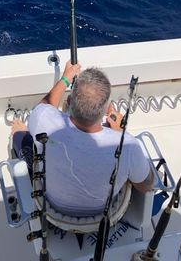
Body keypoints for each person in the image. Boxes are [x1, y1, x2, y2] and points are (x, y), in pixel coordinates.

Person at [12, 61, 154, 217]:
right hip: (100, 215)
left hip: (53, 208)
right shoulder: (128, 146)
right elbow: (146, 186)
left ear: (70, 102)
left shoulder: (42, 119)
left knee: (20, 136)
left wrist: (66, 78)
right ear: (106, 110)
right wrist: (120, 132)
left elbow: (45, 104)